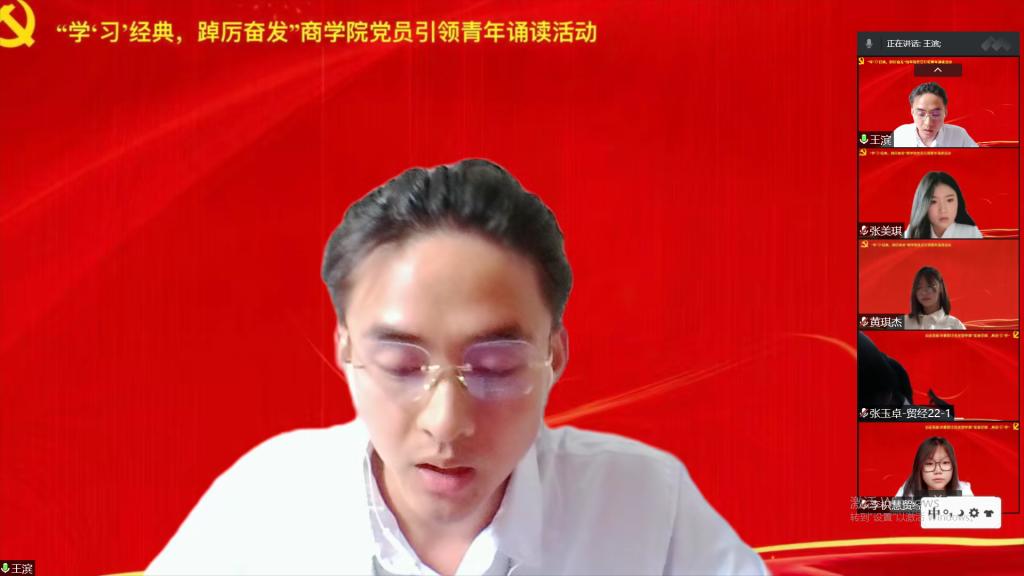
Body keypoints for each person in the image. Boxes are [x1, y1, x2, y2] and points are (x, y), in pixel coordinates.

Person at [146, 159, 766, 575]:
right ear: (345, 350)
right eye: (400, 364)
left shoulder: (643, 504)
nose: (446, 423)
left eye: (494, 365)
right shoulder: (265, 501)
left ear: (554, 355)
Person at [892, 82, 978, 148]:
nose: (928, 123)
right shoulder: (899, 134)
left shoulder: (959, 135)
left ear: (945, 113)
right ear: (912, 112)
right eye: (921, 114)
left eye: (936, 114)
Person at [903, 171, 983, 239]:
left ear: (958, 201)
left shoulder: (972, 233)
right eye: (933, 202)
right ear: (922, 205)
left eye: (949, 200)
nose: (943, 210)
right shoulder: (912, 233)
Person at [895, 436, 973, 498]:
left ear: (953, 466)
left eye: (945, 463)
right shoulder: (907, 492)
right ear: (919, 467)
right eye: (929, 464)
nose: (938, 471)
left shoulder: (964, 491)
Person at [903, 266, 966, 330]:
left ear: (941, 288)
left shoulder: (955, 325)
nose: (924, 292)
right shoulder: (903, 322)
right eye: (919, 287)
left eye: (930, 286)